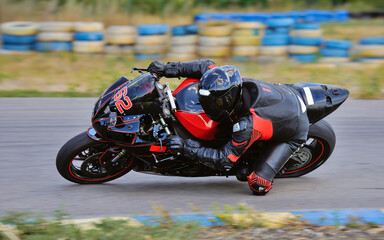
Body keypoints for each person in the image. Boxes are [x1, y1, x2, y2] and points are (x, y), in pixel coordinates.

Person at [147, 59, 309, 195]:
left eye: (214, 102)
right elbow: (205, 65)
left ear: (227, 100)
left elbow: (224, 160)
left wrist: (186, 147)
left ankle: (261, 164)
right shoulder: (226, 80)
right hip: (285, 96)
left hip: (294, 129)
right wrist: (168, 69)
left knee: (257, 183)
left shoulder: (247, 125)